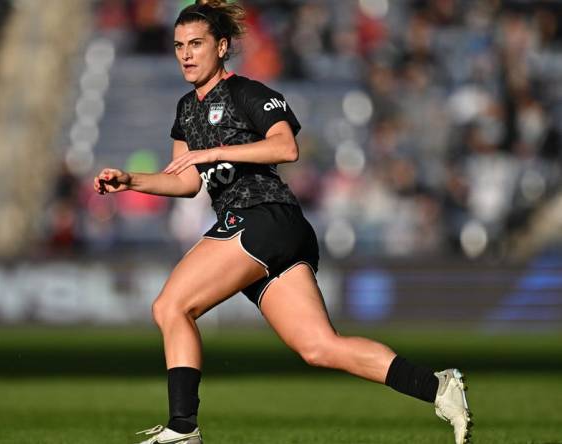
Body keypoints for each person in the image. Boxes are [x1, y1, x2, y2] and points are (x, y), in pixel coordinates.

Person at [92, 1, 472, 443]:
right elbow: (186, 181)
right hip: (272, 231)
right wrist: (131, 180)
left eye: (196, 44)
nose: (186, 54)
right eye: (179, 46)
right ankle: (439, 387)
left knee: (170, 306)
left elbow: (285, 147)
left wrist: (217, 152)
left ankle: (183, 429)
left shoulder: (248, 93)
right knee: (318, 347)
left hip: (261, 216)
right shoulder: (186, 109)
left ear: (222, 46)